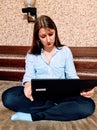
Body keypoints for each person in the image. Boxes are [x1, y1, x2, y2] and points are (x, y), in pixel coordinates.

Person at [2, 15, 95, 122]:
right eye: (43, 36)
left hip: (63, 94)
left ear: (55, 32)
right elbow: (28, 76)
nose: (48, 39)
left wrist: (83, 88)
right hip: (39, 95)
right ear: (38, 37)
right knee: (8, 97)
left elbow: (72, 76)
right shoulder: (31, 54)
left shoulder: (65, 51)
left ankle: (36, 115)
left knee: (88, 105)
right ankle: (59, 108)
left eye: (51, 34)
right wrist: (27, 86)